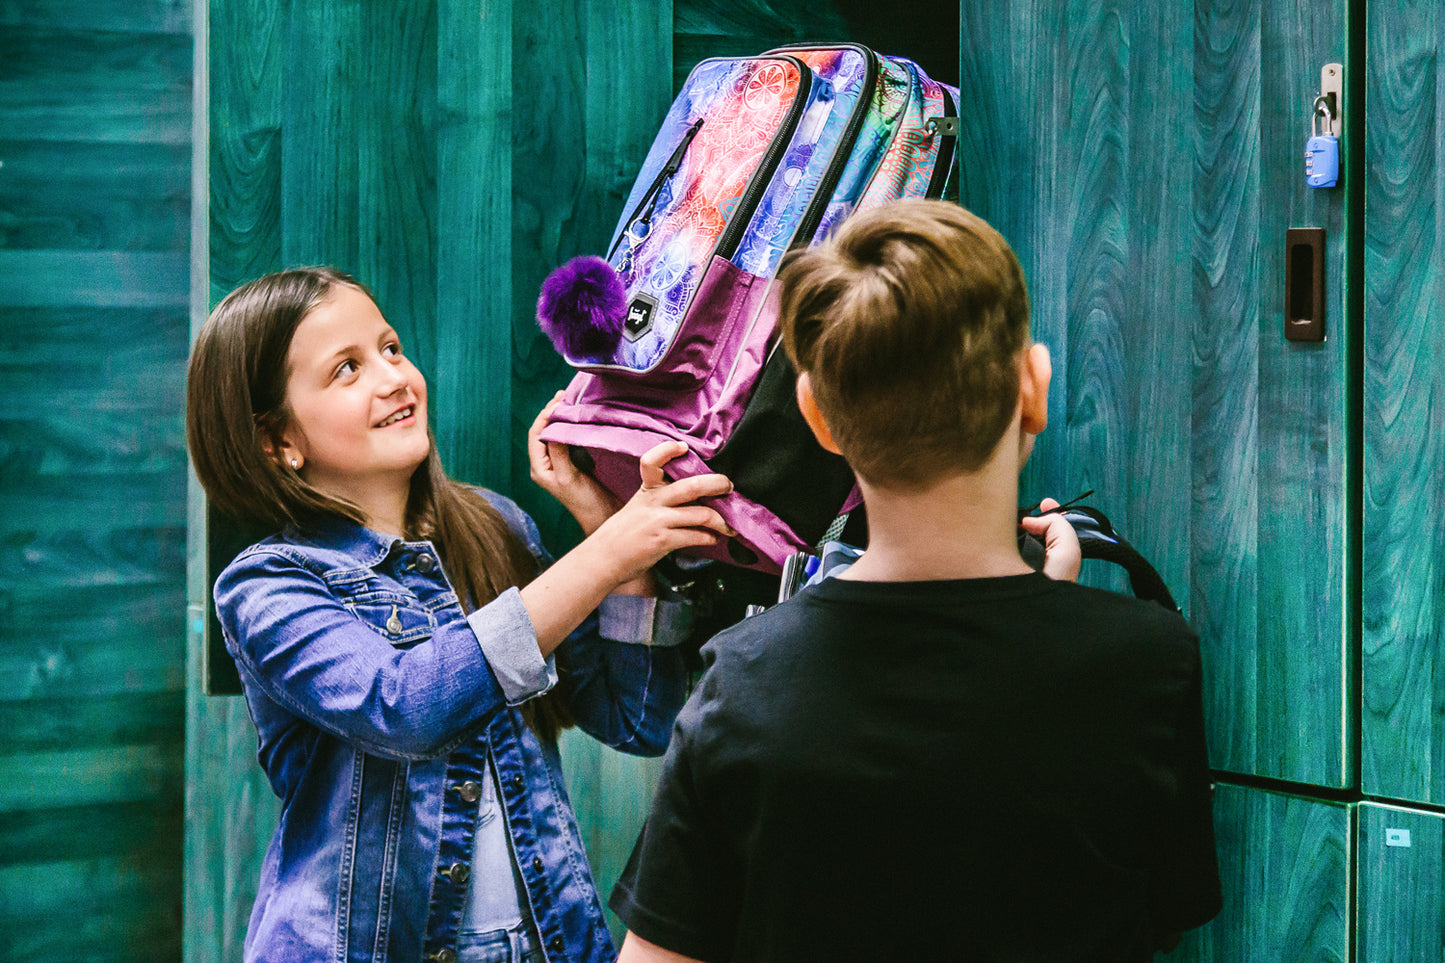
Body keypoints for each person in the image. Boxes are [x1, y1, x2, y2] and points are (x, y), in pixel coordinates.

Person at [609, 200, 1222, 962]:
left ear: (818, 417)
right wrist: (1058, 614)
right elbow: (1161, 912)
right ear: (1032, 388)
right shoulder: (1146, 661)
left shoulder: (744, 679)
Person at [186, 266, 736, 963]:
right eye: (346, 369)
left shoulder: (493, 526)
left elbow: (634, 720)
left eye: (389, 347)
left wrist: (616, 540)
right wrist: (605, 552)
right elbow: (403, 703)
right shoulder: (269, 585)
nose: (392, 377)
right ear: (276, 441)